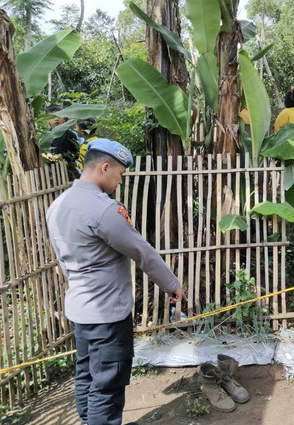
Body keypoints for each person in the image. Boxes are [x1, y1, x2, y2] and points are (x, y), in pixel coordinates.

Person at [46, 139, 186, 425]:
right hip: (108, 315)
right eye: (119, 174)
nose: (119, 181)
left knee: (86, 375)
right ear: (104, 167)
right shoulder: (104, 210)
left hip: (80, 310)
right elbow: (142, 252)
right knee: (107, 387)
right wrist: (172, 284)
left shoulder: (57, 205)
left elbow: (62, 259)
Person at [47, 104, 80, 179]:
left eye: (59, 116)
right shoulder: (45, 136)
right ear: (47, 120)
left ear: (64, 119)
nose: (56, 119)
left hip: (67, 170)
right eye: (53, 116)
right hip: (49, 171)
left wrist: (62, 156)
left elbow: (76, 153)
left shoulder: (70, 135)